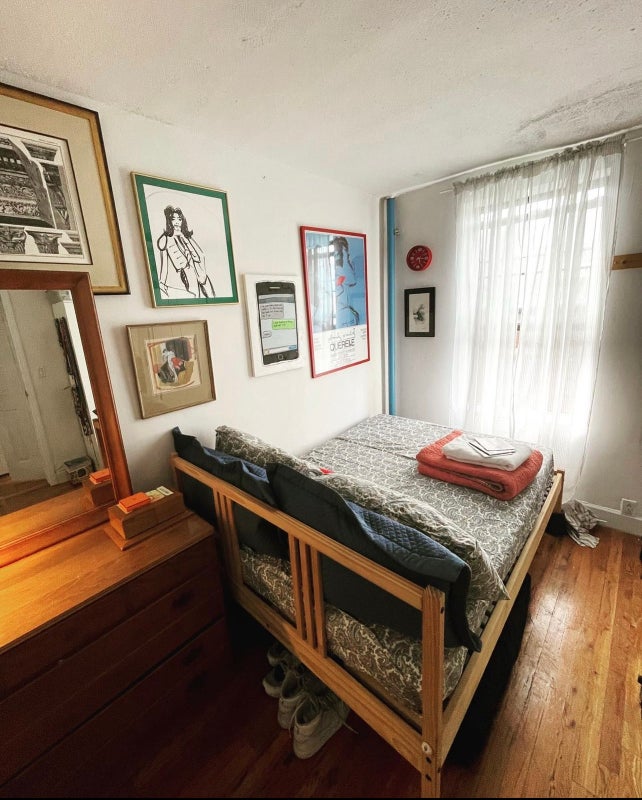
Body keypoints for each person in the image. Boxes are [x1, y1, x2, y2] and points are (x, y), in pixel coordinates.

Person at [156, 206, 215, 299]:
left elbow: (199, 256)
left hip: (195, 272)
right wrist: (161, 282)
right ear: (169, 221)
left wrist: (185, 237)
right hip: (181, 275)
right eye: (173, 219)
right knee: (193, 296)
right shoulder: (165, 240)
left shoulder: (186, 237)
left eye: (179, 219)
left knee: (203, 297)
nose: (177, 222)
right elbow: (164, 266)